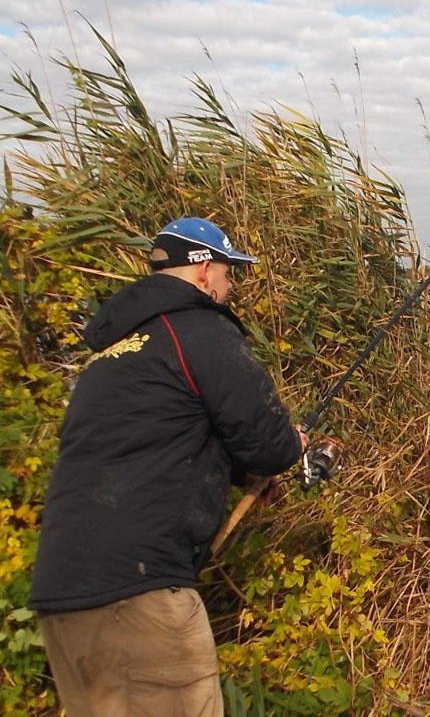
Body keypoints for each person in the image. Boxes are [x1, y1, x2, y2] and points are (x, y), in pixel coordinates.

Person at [29, 216, 308, 717]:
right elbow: (269, 444)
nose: (228, 287)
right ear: (204, 272)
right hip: (140, 596)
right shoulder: (200, 329)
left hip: (61, 597)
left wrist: (240, 476)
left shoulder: (114, 352)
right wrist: (293, 444)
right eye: (227, 273)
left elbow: (152, 440)